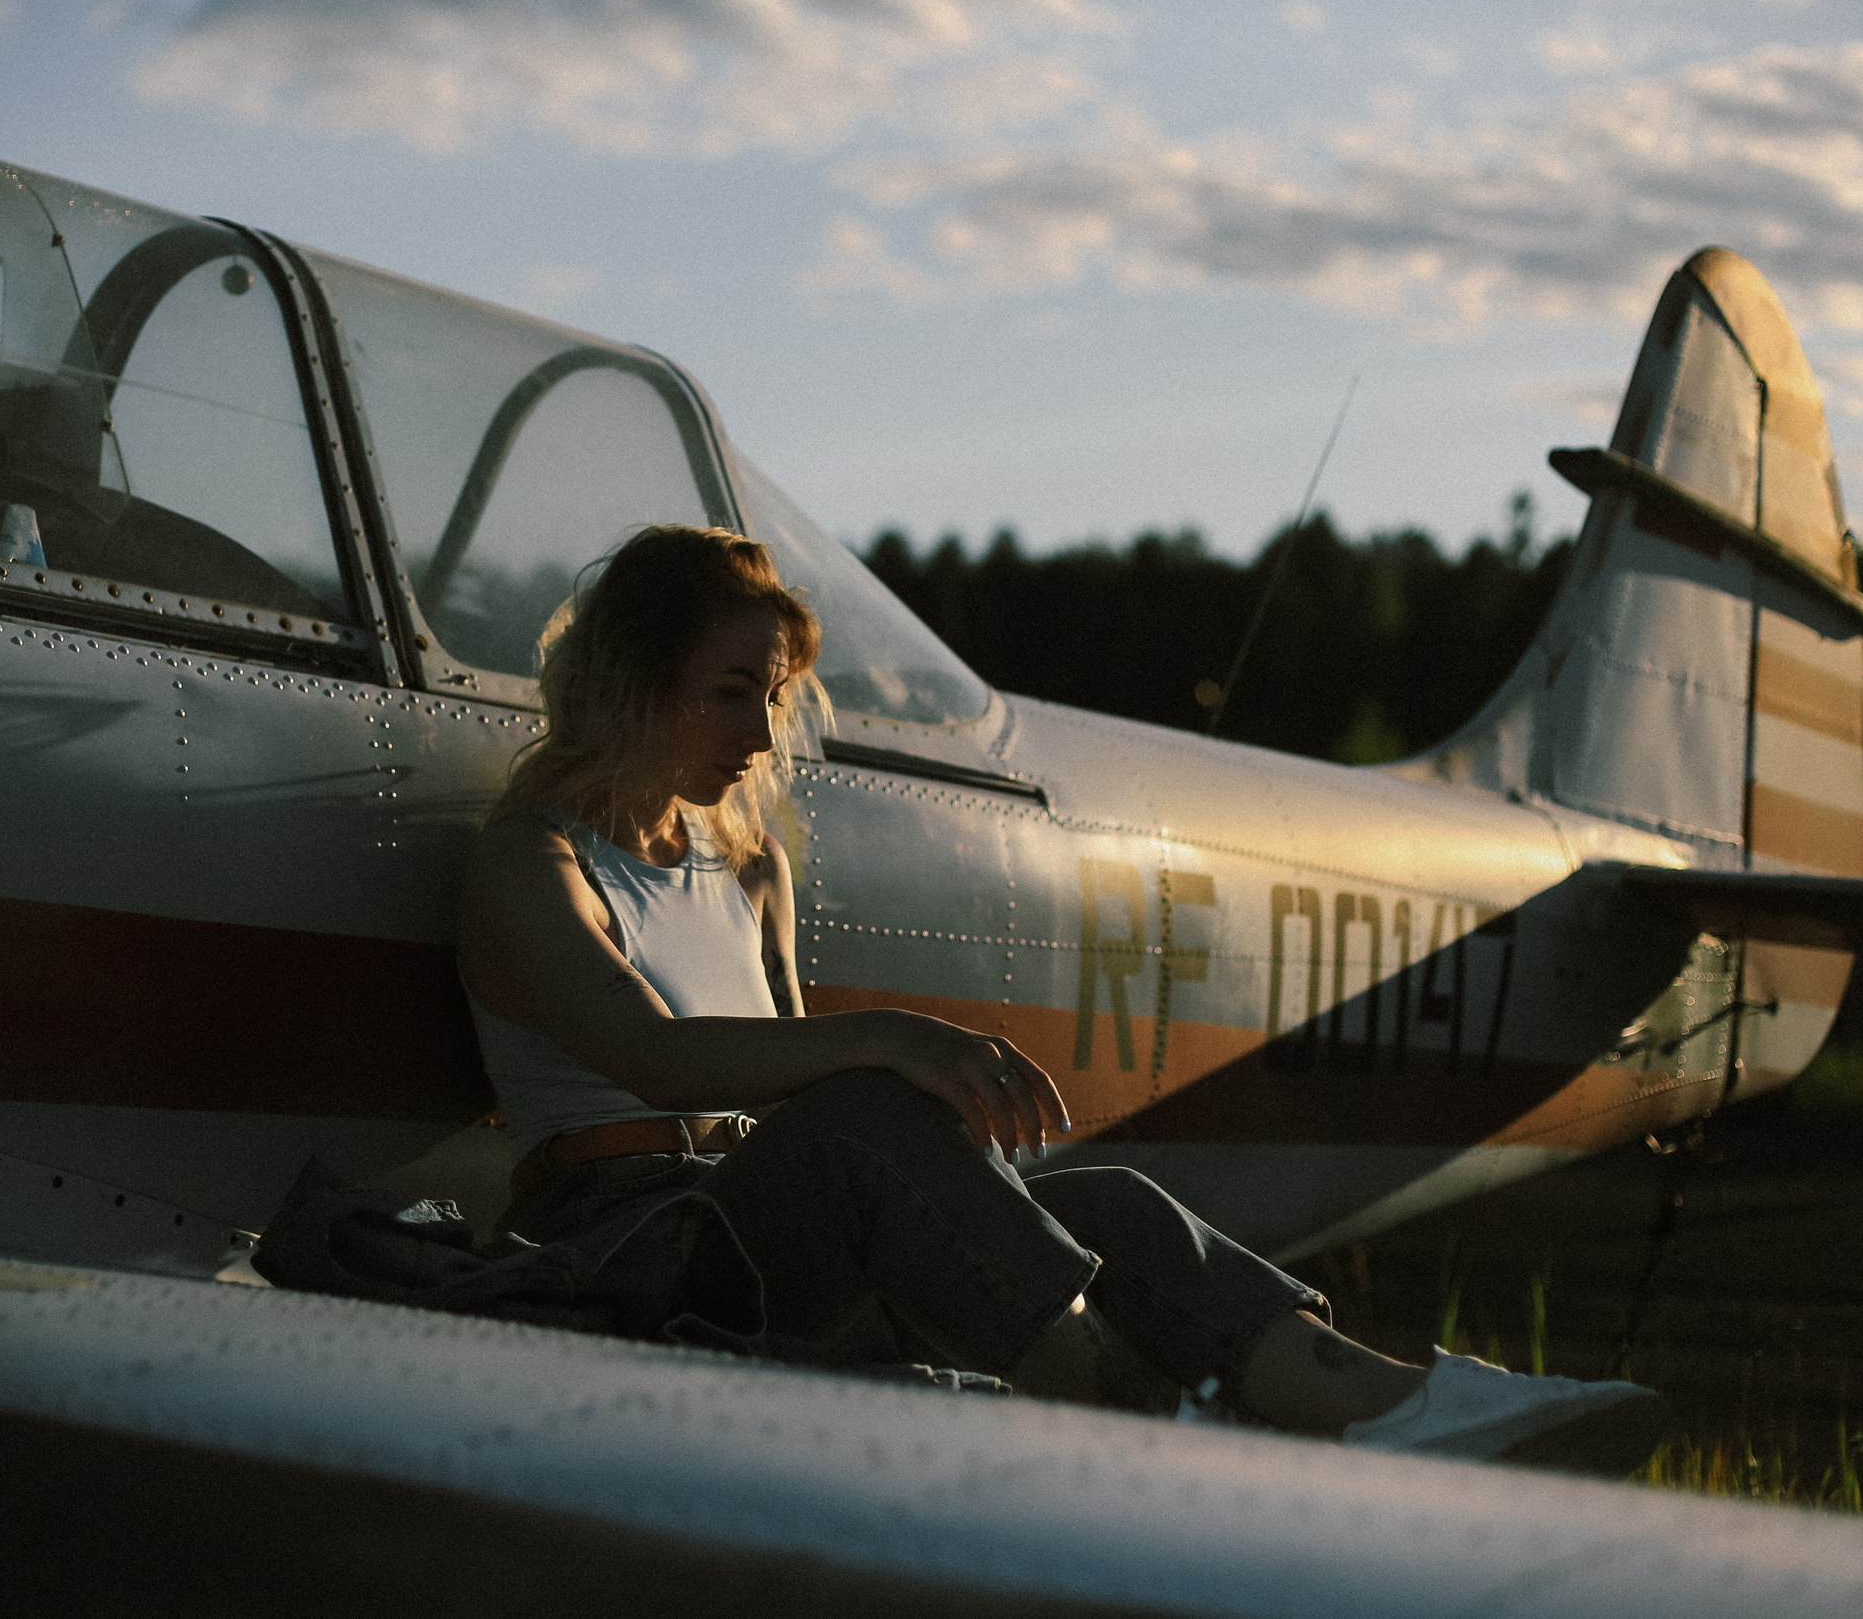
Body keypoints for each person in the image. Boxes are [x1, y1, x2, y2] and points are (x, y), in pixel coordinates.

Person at [456, 524, 1664, 1472]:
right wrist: (891, 1043)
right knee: (868, 1107)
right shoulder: (535, 859)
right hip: (628, 1238)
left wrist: (927, 1151)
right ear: (634, 678)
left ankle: (1399, 1406)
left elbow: (786, 1099)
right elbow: (652, 1057)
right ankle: (1130, 1431)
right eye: (733, 691)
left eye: (773, 696)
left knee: (1121, 1210)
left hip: (760, 1220)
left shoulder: (747, 867)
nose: (763, 734)